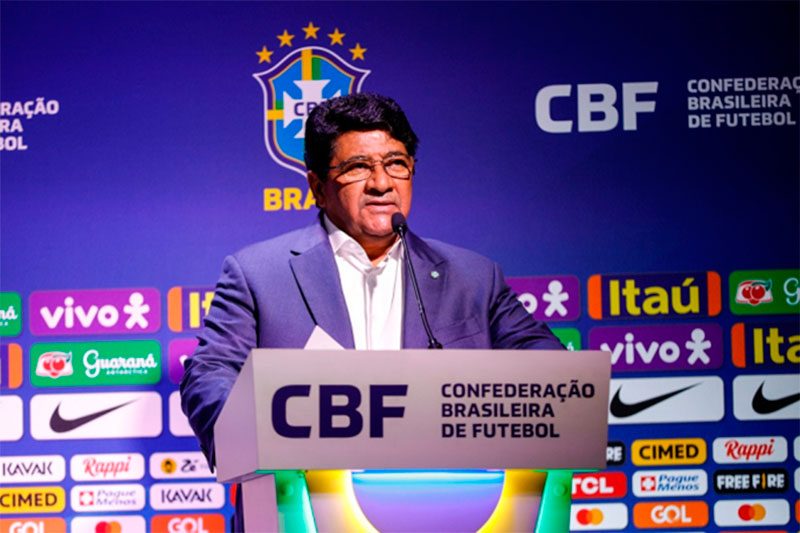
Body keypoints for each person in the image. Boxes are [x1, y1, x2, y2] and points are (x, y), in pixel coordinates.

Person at [180, 93, 563, 530]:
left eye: (396, 164)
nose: (382, 183)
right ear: (317, 186)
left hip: (453, 513)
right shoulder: (258, 274)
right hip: (300, 514)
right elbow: (209, 374)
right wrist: (255, 443)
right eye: (358, 167)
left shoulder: (474, 277)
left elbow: (553, 374)